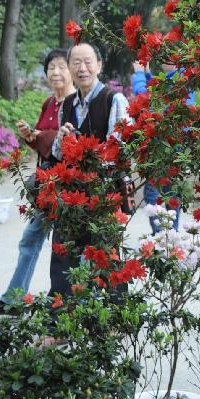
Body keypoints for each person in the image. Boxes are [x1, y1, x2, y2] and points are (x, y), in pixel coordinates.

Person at [0, 49, 74, 315]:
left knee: (63, 248)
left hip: (68, 186)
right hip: (46, 183)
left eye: (61, 67)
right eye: (51, 68)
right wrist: (30, 135)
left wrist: (42, 135)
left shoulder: (75, 103)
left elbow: (68, 142)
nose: (56, 72)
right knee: (32, 239)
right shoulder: (49, 103)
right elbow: (44, 143)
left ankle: (65, 306)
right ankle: (15, 299)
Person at [49, 42, 129, 297]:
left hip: (102, 194)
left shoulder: (113, 99)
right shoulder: (68, 103)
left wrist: (85, 152)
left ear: (99, 65)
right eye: (76, 63)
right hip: (71, 195)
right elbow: (56, 153)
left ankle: (115, 319)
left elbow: (120, 150)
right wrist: (62, 139)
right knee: (62, 253)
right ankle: (59, 322)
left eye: (88, 62)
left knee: (106, 255)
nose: (82, 68)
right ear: (71, 68)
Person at [130, 61, 195, 234]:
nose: (162, 59)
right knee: (170, 192)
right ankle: (170, 235)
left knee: (153, 193)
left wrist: (138, 74)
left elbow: (146, 97)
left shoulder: (179, 81)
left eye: (165, 56)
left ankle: (162, 236)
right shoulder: (180, 78)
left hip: (164, 149)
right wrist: (148, 74)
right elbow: (158, 95)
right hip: (172, 149)